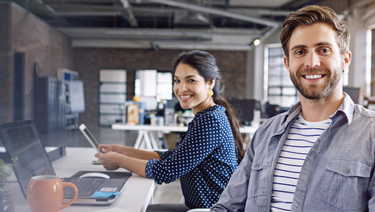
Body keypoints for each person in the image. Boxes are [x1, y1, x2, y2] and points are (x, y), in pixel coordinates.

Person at [211, 5, 375, 212]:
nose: (311, 62)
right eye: (300, 52)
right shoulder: (266, 133)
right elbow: (227, 207)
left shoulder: (371, 134)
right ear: (287, 64)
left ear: (345, 59)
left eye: (323, 50)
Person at [95, 50, 244, 211]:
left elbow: (166, 171)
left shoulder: (210, 121)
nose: (181, 88)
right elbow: (174, 157)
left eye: (191, 80)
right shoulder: (209, 116)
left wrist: (120, 161)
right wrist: (125, 151)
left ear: (210, 83)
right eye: (177, 81)